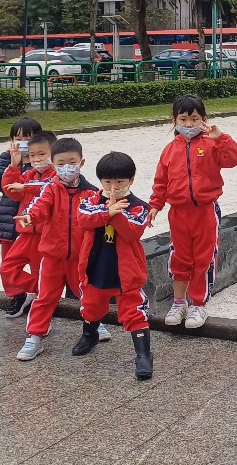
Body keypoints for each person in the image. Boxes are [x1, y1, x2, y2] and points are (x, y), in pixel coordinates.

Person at [148, 95, 237, 330]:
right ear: (174, 120)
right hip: (178, 212)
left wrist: (221, 138)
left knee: (204, 258)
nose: (189, 124)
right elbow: (161, 182)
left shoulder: (211, 144)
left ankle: (198, 304)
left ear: (204, 119)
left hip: (205, 211)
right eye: (183, 119)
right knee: (179, 257)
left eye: (194, 119)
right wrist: (155, 205)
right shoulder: (169, 150)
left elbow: (235, 159)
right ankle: (179, 302)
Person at [17, 137, 107, 360]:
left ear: (81, 162)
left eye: (72, 162)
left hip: (80, 257)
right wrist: (30, 217)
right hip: (52, 255)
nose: (67, 168)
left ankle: (95, 323)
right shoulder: (50, 188)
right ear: (53, 164)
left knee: (87, 293)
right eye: (61, 163)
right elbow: (39, 206)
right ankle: (35, 336)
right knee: (45, 296)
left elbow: (98, 219)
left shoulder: (91, 193)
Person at [72, 152, 155, 380]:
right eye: (107, 181)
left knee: (134, 312)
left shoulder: (139, 206)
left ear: (131, 180)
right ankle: (89, 335)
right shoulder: (91, 200)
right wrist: (107, 211)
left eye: (120, 181)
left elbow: (132, 232)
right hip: (96, 267)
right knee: (91, 306)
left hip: (125, 273)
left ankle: (143, 355)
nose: (113, 187)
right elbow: (83, 219)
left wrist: (115, 214)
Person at [0, 130, 57, 319]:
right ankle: (37, 290)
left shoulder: (57, 175)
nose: (37, 159)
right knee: (7, 267)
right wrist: (13, 167)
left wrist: (25, 187)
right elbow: (11, 192)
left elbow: (50, 187)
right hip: (25, 233)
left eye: (42, 154)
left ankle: (42, 301)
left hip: (44, 234)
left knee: (41, 271)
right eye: (32, 155)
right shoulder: (29, 174)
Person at [0, 118, 44, 261]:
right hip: (8, 216)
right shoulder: (6, 158)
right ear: (12, 140)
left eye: (27, 139)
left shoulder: (41, 163)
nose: (23, 143)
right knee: (8, 263)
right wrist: (11, 163)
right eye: (18, 139)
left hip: (31, 219)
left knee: (35, 262)